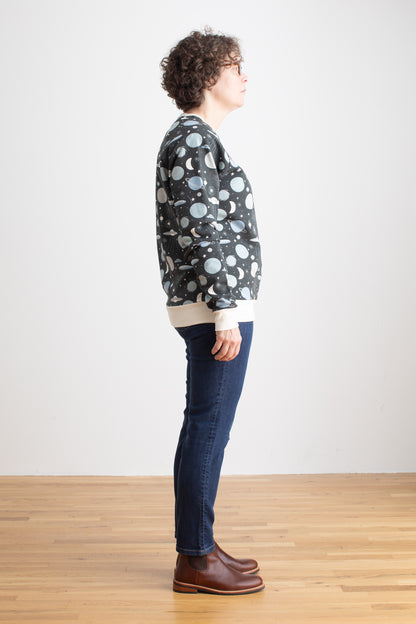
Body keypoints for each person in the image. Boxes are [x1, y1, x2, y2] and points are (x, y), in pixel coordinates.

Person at [155, 27, 264, 595]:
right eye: (235, 66)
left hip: (211, 302)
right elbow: (204, 231)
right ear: (206, 76)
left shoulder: (197, 139)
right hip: (214, 306)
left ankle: (199, 545)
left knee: (203, 425)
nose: (245, 76)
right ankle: (195, 560)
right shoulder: (193, 140)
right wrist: (226, 311)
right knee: (208, 428)